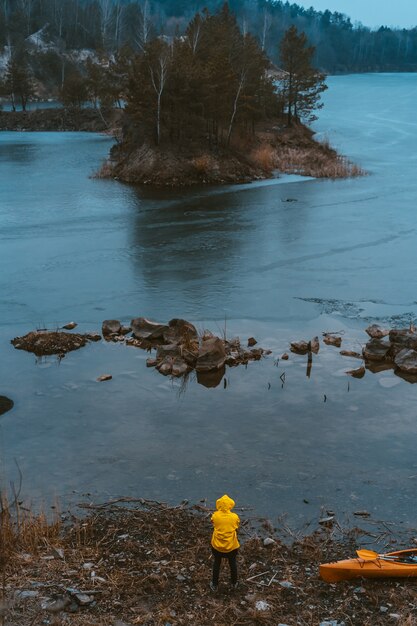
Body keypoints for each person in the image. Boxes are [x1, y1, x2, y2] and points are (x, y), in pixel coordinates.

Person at [210, 494, 240, 591]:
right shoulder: (234, 517)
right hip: (231, 547)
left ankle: (214, 585)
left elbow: (213, 523)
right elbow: (237, 525)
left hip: (217, 547)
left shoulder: (215, 516)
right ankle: (234, 583)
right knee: (232, 564)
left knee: (217, 563)